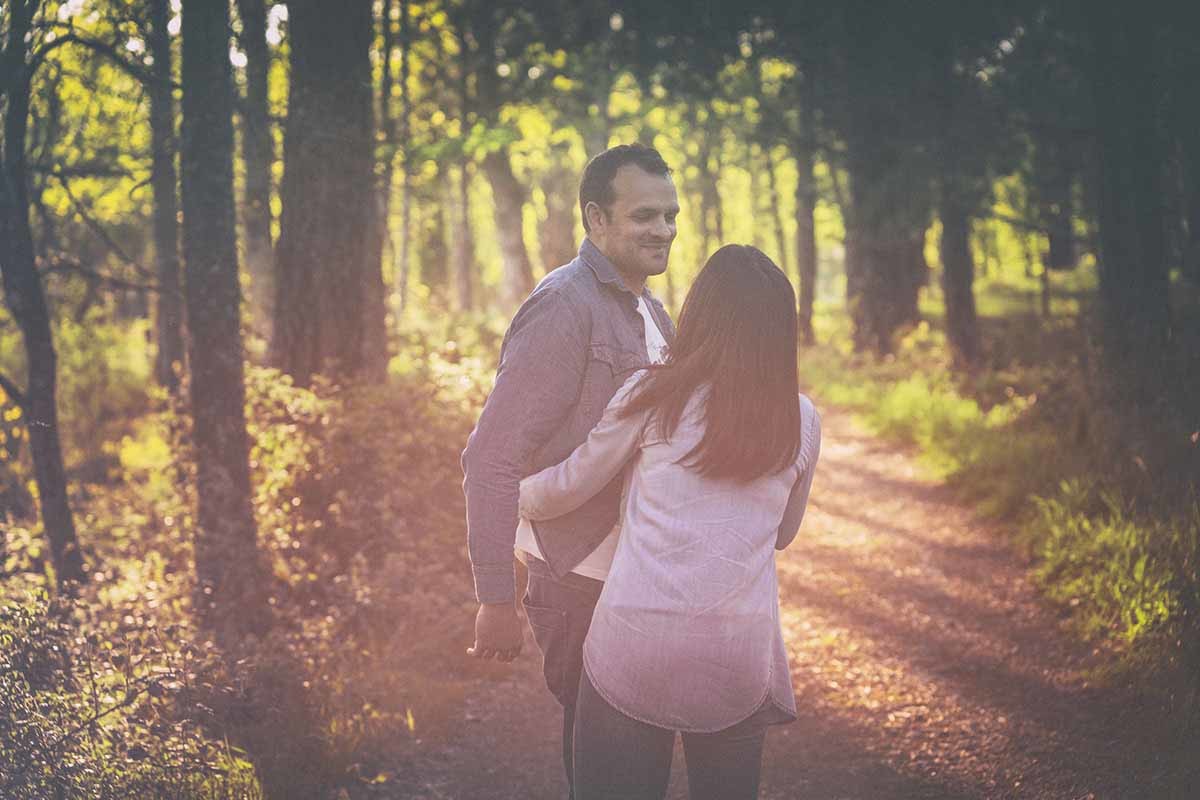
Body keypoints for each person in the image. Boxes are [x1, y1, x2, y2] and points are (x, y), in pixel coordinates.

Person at [518, 245, 822, 800]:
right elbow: (783, 534)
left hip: (632, 646)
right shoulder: (799, 417)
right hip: (736, 655)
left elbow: (569, 486)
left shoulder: (653, 394)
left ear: (699, 316)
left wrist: (511, 497)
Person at [461, 143, 680, 797]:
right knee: (612, 777)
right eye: (645, 215)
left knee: (638, 771)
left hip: (640, 578)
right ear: (597, 218)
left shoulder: (650, 310)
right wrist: (495, 598)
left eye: (671, 215)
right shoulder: (565, 306)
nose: (664, 230)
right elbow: (490, 457)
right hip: (580, 583)